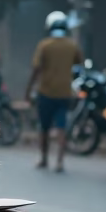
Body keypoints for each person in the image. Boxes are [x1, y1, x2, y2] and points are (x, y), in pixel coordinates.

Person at [25, 11, 83, 173]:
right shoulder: (72, 45)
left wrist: (29, 90)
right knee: (61, 127)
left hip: (46, 92)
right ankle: (59, 161)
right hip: (65, 92)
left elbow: (36, 68)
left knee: (44, 128)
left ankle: (44, 158)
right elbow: (79, 61)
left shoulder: (44, 45)